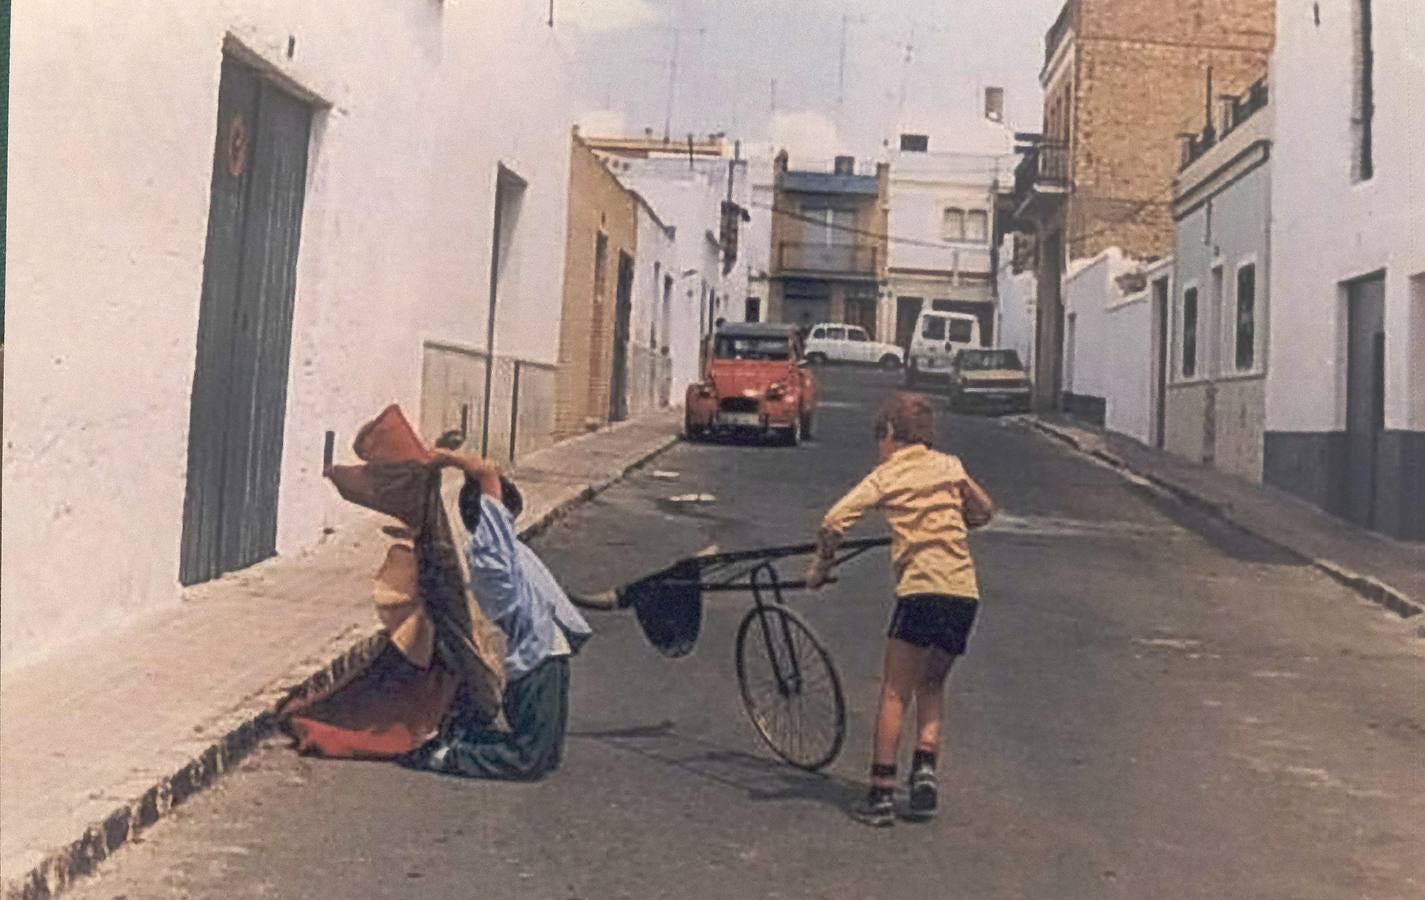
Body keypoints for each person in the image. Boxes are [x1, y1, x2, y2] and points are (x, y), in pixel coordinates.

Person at [805, 393, 994, 826]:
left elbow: (834, 521)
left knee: (895, 691)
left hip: (920, 592)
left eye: (880, 440)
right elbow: (983, 511)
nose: (880, 448)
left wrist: (821, 564)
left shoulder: (886, 475)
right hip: (964, 595)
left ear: (890, 434)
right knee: (932, 683)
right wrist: (958, 513)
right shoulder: (951, 466)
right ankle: (925, 770)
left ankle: (881, 793)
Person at [397, 450, 591, 780]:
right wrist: (440, 456)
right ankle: (447, 755)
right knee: (529, 759)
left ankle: (464, 737)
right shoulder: (492, 554)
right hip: (538, 658)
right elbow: (486, 472)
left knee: (545, 755)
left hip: (551, 653)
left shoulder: (507, 548)